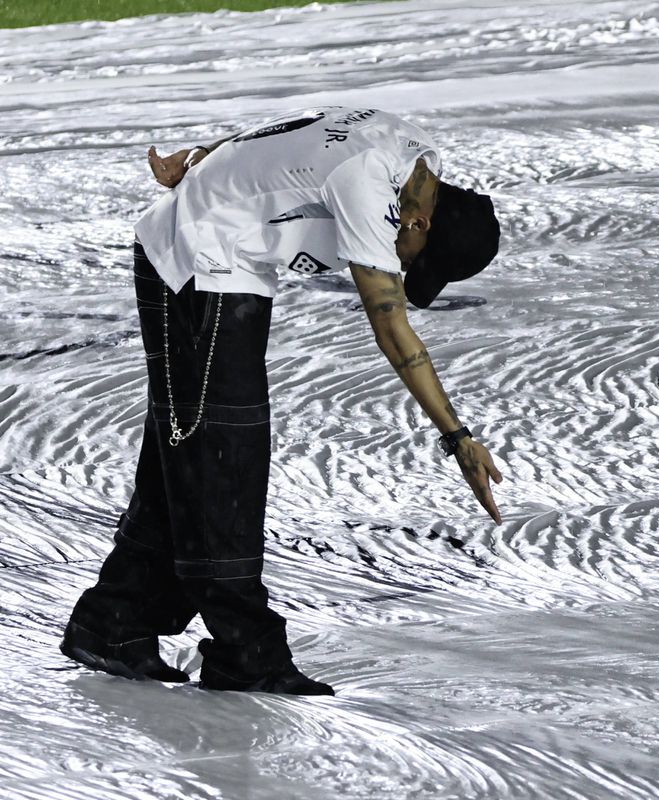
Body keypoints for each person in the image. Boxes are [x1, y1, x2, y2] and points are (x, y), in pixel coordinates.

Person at [59, 106, 504, 696]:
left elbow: (281, 136)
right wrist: (457, 437)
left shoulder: (411, 146)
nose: (401, 264)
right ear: (419, 223)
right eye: (412, 259)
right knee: (224, 459)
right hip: (198, 261)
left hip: (225, 263)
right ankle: (245, 653)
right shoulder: (370, 189)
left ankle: (112, 623)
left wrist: (198, 155)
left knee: (189, 453)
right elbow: (394, 330)